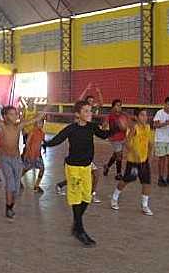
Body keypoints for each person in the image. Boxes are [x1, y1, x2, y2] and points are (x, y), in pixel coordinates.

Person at [43, 101, 115, 246]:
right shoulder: (71, 129)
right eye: (86, 111)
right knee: (76, 199)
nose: (90, 114)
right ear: (78, 114)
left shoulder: (91, 127)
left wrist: (117, 128)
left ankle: (76, 225)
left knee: (86, 198)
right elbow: (57, 139)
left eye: (90, 111)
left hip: (86, 167)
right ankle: (80, 229)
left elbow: (103, 135)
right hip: (73, 168)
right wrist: (45, 144)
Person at [0, 106, 45, 219]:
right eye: (12, 114)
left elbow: (34, 119)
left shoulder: (19, 126)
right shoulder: (2, 125)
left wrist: (42, 113)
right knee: (10, 184)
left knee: (15, 186)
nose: (16, 116)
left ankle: (11, 205)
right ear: (5, 117)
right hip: (6, 159)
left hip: (16, 159)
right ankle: (8, 208)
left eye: (16, 113)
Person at [110, 108, 154, 216]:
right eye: (142, 115)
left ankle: (144, 205)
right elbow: (127, 142)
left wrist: (149, 156)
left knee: (146, 182)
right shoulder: (134, 128)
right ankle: (114, 198)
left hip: (144, 161)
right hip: (133, 161)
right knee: (127, 180)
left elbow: (150, 143)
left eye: (146, 115)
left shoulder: (148, 127)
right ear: (137, 117)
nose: (145, 117)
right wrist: (134, 152)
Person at [103, 99, 128, 181]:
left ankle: (107, 166)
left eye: (120, 105)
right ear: (113, 107)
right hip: (114, 138)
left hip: (122, 137)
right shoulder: (110, 115)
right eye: (117, 105)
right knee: (119, 155)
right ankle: (118, 173)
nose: (119, 107)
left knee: (116, 155)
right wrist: (104, 126)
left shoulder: (123, 115)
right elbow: (104, 125)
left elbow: (126, 126)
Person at [22, 118, 46, 193]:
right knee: (26, 169)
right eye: (39, 123)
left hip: (38, 155)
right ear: (35, 123)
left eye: (42, 123)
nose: (41, 125)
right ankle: (16, 180)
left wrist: (44, 149)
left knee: (42, 169)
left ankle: (36, 186)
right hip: (30, 155)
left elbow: (41, 143)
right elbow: (27, 143)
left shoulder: (42, 133)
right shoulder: (32, 132)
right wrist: (25, 154)